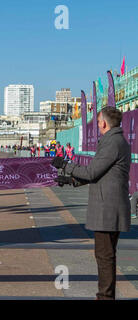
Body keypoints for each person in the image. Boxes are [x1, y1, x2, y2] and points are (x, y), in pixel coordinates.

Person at [52, 106, 130, 300]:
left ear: (103, 122)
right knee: (106, 255)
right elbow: (101, 173)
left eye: (97, 123)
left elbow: (91, 172)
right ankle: (105, 295)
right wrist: (71, 181)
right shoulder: (118, 141)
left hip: (107, 208)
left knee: (104, 256)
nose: (97, 126)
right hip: (111, 205)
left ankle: (105, 297)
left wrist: (65, 166)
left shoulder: (111, 142)